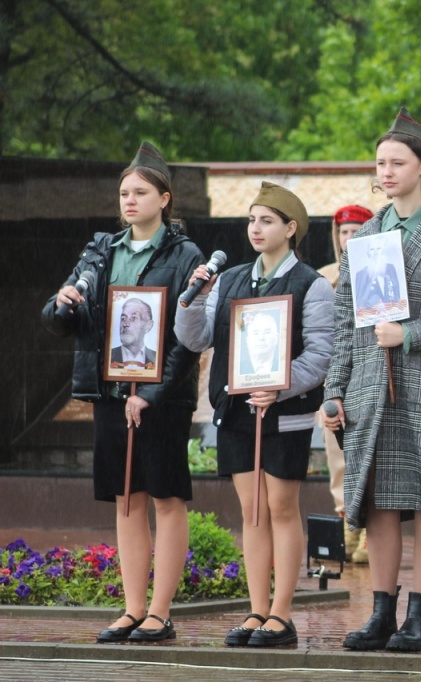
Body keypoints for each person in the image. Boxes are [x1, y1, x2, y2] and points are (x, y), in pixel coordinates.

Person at [323, 107, 421, 654]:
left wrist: (408, 335)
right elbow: (347, 322)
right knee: (380, 501)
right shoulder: (365, 236)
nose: (386, 172)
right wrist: (334, 390)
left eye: (397, 162)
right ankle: (381, 614)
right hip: (372, 386)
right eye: (380, 163)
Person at [41, 141, 203, 643]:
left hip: (162, 397)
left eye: (140, 192)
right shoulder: (100, 250)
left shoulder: (184, 255)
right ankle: (132, 610)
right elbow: (58, 320)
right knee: (126, 501)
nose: (128, 201)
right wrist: (62, 304)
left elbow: (188, 338)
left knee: (167, 497)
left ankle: (160, 612)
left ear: (165, 198)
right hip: (112, 394)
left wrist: (151, 393)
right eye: (123, 193)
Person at [175, 181, 333, 648]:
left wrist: (280, 388)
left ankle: (282, 614)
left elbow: (321, 354)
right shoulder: (230, 278)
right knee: (252, 512)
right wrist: (192, 298)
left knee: (281, 508)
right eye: (251, 219)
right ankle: (256, 609)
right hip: (237, 411)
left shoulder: (312, 284)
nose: (255, 228)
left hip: (284, 415)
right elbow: (195, 337)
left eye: (266, 220)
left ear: (291, 228)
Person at [318, 204, 373, 563]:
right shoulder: (324, 278)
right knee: (336, 453)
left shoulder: (378, 271)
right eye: (343, 232)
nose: (348, 238)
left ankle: (369, 526)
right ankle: (346, 522)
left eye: (356, 231)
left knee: (371, 450)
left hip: (369, 375)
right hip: (334, 380)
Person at [354, 240, 402, 310]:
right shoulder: (360, 274)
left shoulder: (391, 268)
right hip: (371, 316)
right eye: (372, 249)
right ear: (368, 253)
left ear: (383, 251)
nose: (375, 253)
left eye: (378, 249)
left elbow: (397, 295)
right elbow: (359, 303)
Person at [110, 298, 157, 369]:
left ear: (148, 326)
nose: (126, 324)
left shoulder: (157, 358)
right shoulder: (108, 356)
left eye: (133, 318)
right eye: (123, 318)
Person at [239, 310, 281, 376]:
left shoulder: (284, 368)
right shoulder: (238, 371)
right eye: (256, 333)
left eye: (267, 332)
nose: (261, 338)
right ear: (247, 340)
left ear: (276, 338)